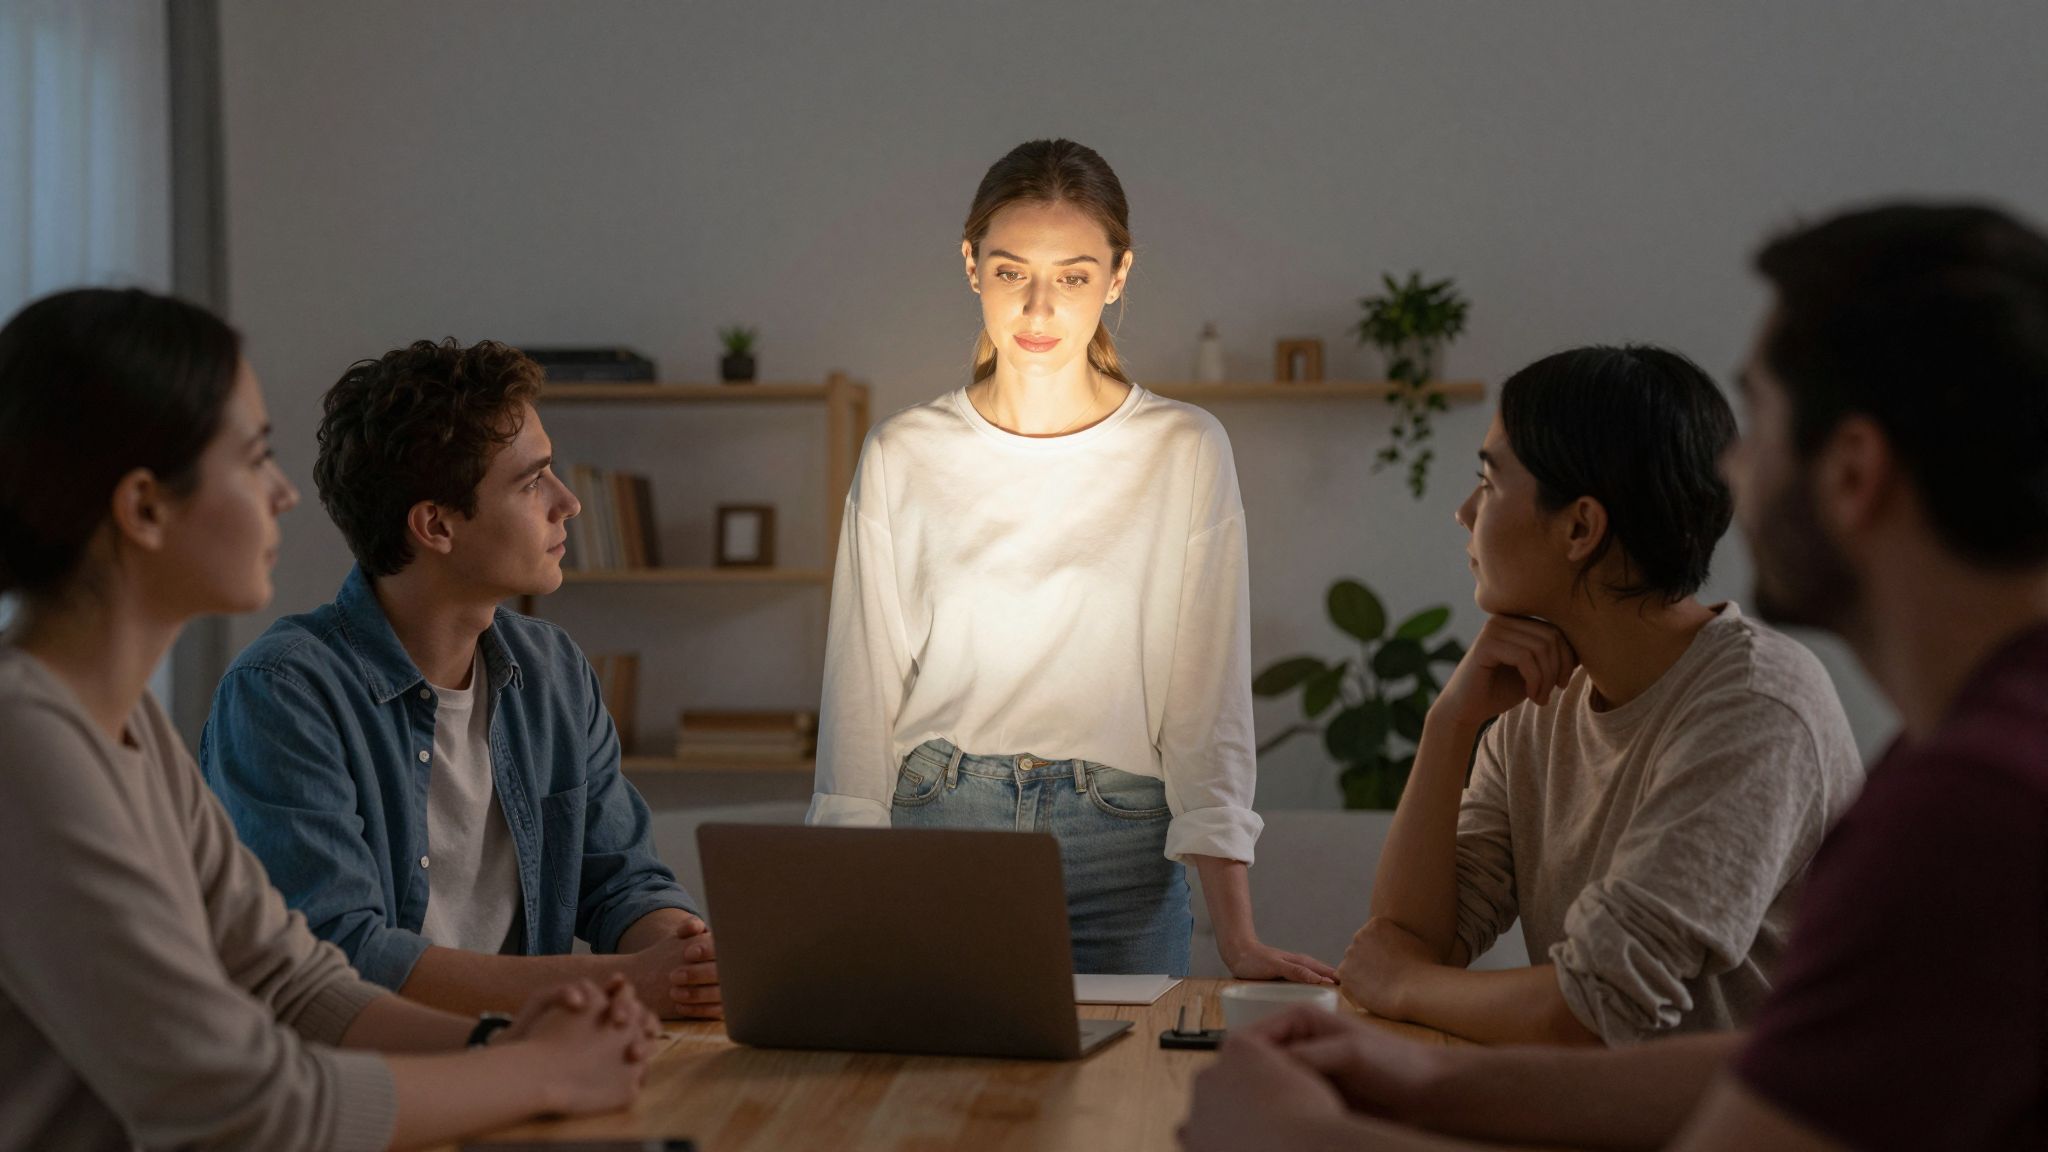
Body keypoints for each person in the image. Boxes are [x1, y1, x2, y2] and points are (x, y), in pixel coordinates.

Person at [1184, 202, 2048, 1151]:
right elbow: (1782, 1070)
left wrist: (1308, 1139)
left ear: (1851, 472)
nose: (1732, 468)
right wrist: (1425, 1076)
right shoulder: (1979, 765)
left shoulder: (1967, 805)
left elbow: (1605, 1018)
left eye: (1757, 417)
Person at [0, 287, 660, 1152]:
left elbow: (291, 980)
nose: (282, 495)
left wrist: (508, 1043)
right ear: (145, 508)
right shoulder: (25, 746)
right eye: (253, 458)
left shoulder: (131, 732)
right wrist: (543, 1071)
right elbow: (243, 1105)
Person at [805, 138, 1332, 981]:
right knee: (927, 1102)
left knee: (1119, 1108)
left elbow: (1207, 701)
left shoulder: (1184, 450)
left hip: (1120, 845)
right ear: (971, 265)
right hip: (940, 827)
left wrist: (1239, 936)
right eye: (1013, 272)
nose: (1039, 308)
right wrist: (841, 902)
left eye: (1075, 276)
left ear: (1118, 277)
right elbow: (860, 695)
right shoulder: (904, 451)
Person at [1343, 344, 1862, 1046]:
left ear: (1581, 528)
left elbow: (1597, 1008)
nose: (1464, 513)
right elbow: (1412, 937)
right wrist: (1448, 725)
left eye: (1489, 484)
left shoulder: (1756, 705)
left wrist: (1404, 985)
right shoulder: (1536, 701)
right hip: (1604, 1121)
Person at [201, 338, 719, 1020]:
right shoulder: (283, 693)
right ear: (435, 525)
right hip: (374, 1086)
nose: (569, 503)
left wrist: (684, 959)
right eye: (533, 482)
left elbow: (622, 880)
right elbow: (339, 957)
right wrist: (622, 983)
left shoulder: (555, 671)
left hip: (535, 1061)